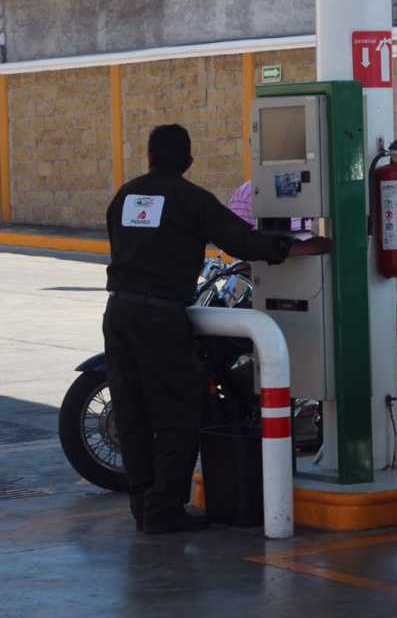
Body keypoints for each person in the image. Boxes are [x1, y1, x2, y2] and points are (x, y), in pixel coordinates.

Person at [104, 124, 331, 534]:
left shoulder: (125, 196)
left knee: (130, 410)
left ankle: (142, 505)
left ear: (150, 157)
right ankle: (164, 510)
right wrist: (300, 247)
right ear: (188, 160)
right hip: (161, 317)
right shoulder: (192, 200)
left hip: (118, 312)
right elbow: (242, 242)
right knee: (178, 413)